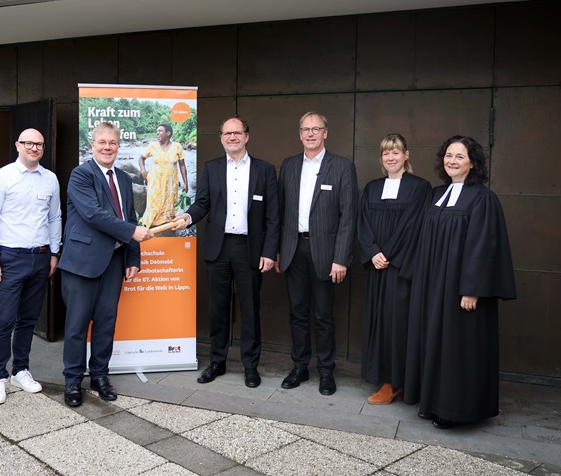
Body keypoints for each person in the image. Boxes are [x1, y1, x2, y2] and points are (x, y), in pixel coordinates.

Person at [403, 135, 516, 429]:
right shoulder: (437, 194)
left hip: (460, 288)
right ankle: (432, 402)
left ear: (473, 163)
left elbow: (483, 247)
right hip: (433, 285)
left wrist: (472, 289)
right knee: (435, 341)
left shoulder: (482, 198)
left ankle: (456, 409)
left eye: (460, 157)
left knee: (457, 346)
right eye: (448, 155)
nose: (452, 161)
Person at [172, 117, 279, 388]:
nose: (232, 137)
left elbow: (273, 216)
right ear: (221, 138)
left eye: (237, 132)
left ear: (246, 136)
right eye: (227, 133)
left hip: (250, 249)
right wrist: (187, 216)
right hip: (218, 248)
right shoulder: (212, 168)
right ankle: (217, 362)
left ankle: (250, 366)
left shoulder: (264, 170)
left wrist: (269, 251)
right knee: (218, 308)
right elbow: (203, 203)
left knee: (250, 308)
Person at [58, 121, 153, 407]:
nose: (107, 147)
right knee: (76, 326)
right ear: (92, 144)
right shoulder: (80, 175)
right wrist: (131, 232)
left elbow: (130, 219)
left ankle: (99, 375)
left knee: (105, 323)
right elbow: (93, 214)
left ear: (118, 145)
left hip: (114, 261)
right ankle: (73, 381)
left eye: (112, 143)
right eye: (102, 142)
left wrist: (133, 256)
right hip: (82, 263)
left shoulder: (124, 179)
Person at [276, 112, 357, 396]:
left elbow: (349, 217)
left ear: (326, 133)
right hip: (293, 250)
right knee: (297, 312)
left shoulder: (342, 167)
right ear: (300, 134)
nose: (310, 134)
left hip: (325, 252)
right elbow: (280, 212)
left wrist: (341, 258)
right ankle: (299, 366)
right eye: (305, 129)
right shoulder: (288, 166)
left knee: (323, 315)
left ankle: (326, 370)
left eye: (316, 129)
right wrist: (277, 250)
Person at [0, 128, 62, 405]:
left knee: (29, 319)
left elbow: (55, 218)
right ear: (18, 145)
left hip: (40, 257)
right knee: (4, 320)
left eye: (38, 144)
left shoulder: (50, 179)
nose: (34, 148)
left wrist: (54, 253)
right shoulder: (2, 177)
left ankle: (20, 370)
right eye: (28, 143)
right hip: (9, 258)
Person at [357, 134, 431, 405]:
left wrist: (387, 254)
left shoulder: (420, 188)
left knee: (400, 324)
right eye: (386, 153)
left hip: (402, 269)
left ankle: (400, 382)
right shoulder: (372, 187)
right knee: (380, 322)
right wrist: (372, 252)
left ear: (406, 155)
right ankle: (385, 379)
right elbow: (362, 223)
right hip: (378, 268)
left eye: (396, 152)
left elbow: (413, 227)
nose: (391, 158)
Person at [139, 122, 188, 227]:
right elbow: (141, 158)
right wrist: (143, 170)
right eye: (157, 131)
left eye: (160, 131)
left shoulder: (177, 147)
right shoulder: (153, 146)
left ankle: (166, 224)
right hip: (155, 182)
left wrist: (185, 183)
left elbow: (182, 165)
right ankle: (151, 225)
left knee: (170, 203)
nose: (157, 133)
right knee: (154, 204)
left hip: (171, 182)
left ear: (168, 133)